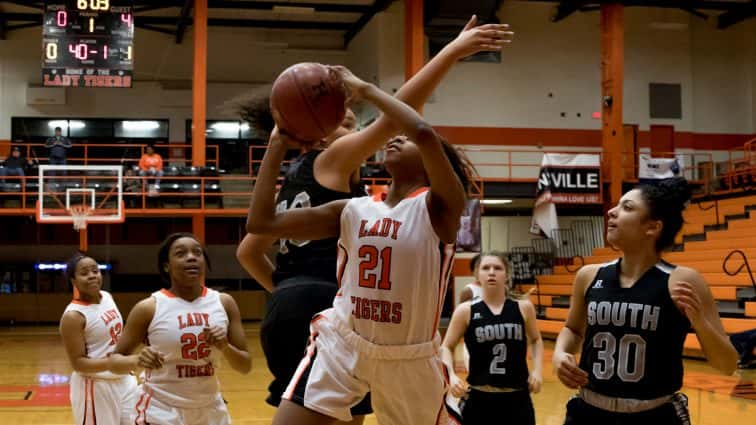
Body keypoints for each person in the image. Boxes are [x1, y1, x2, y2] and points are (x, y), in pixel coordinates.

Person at [236, 15, 512, 418]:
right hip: (337, 325)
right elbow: (408, 119)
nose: (356, 128)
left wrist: (284, 289)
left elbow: (250, 247)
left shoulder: (423, 206)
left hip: (379, 339)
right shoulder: (340, 178)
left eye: (352, 121)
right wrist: (449, 52)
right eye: (343, 122)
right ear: (318, 131)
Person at [552, 177, 739, 424]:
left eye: (627, 207)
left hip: (654, 414)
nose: (611, 212)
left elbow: (727, 364)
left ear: (652, 227)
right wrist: (559, 353)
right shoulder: (588, 276)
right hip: (588, 411)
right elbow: (573, 330)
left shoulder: (683, 280)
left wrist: (701, 323)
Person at [113, 233, 251, 425]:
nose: (191, 257)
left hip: (209, 407)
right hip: (160, 408)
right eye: (181, 253)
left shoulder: (224, 303)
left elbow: (245, 366)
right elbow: (114, 362)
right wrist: (138, 360)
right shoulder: (149, 307)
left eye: (197, 252)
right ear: (166, 266)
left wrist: (225, 346)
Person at [441, 252, 543, 425]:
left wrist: (537, 371)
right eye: (485, 268)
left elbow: (536, 340)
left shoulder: (524, 307)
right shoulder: (466, 310)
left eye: (498, 268)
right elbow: (446, 347)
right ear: (477, 275)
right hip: (479, 399)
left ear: (507, 275)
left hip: (517, 398)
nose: (491, 272)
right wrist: (450, 375)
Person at [59, 253, 139, 425]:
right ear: (74, 281)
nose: (92, 275)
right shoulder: (73, 316)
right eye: (84, 273)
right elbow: (78, 363)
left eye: (95, 270)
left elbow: (116, 337)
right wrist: (113, 363)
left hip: (126, 381)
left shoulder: (107, 297)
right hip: (96, 386)